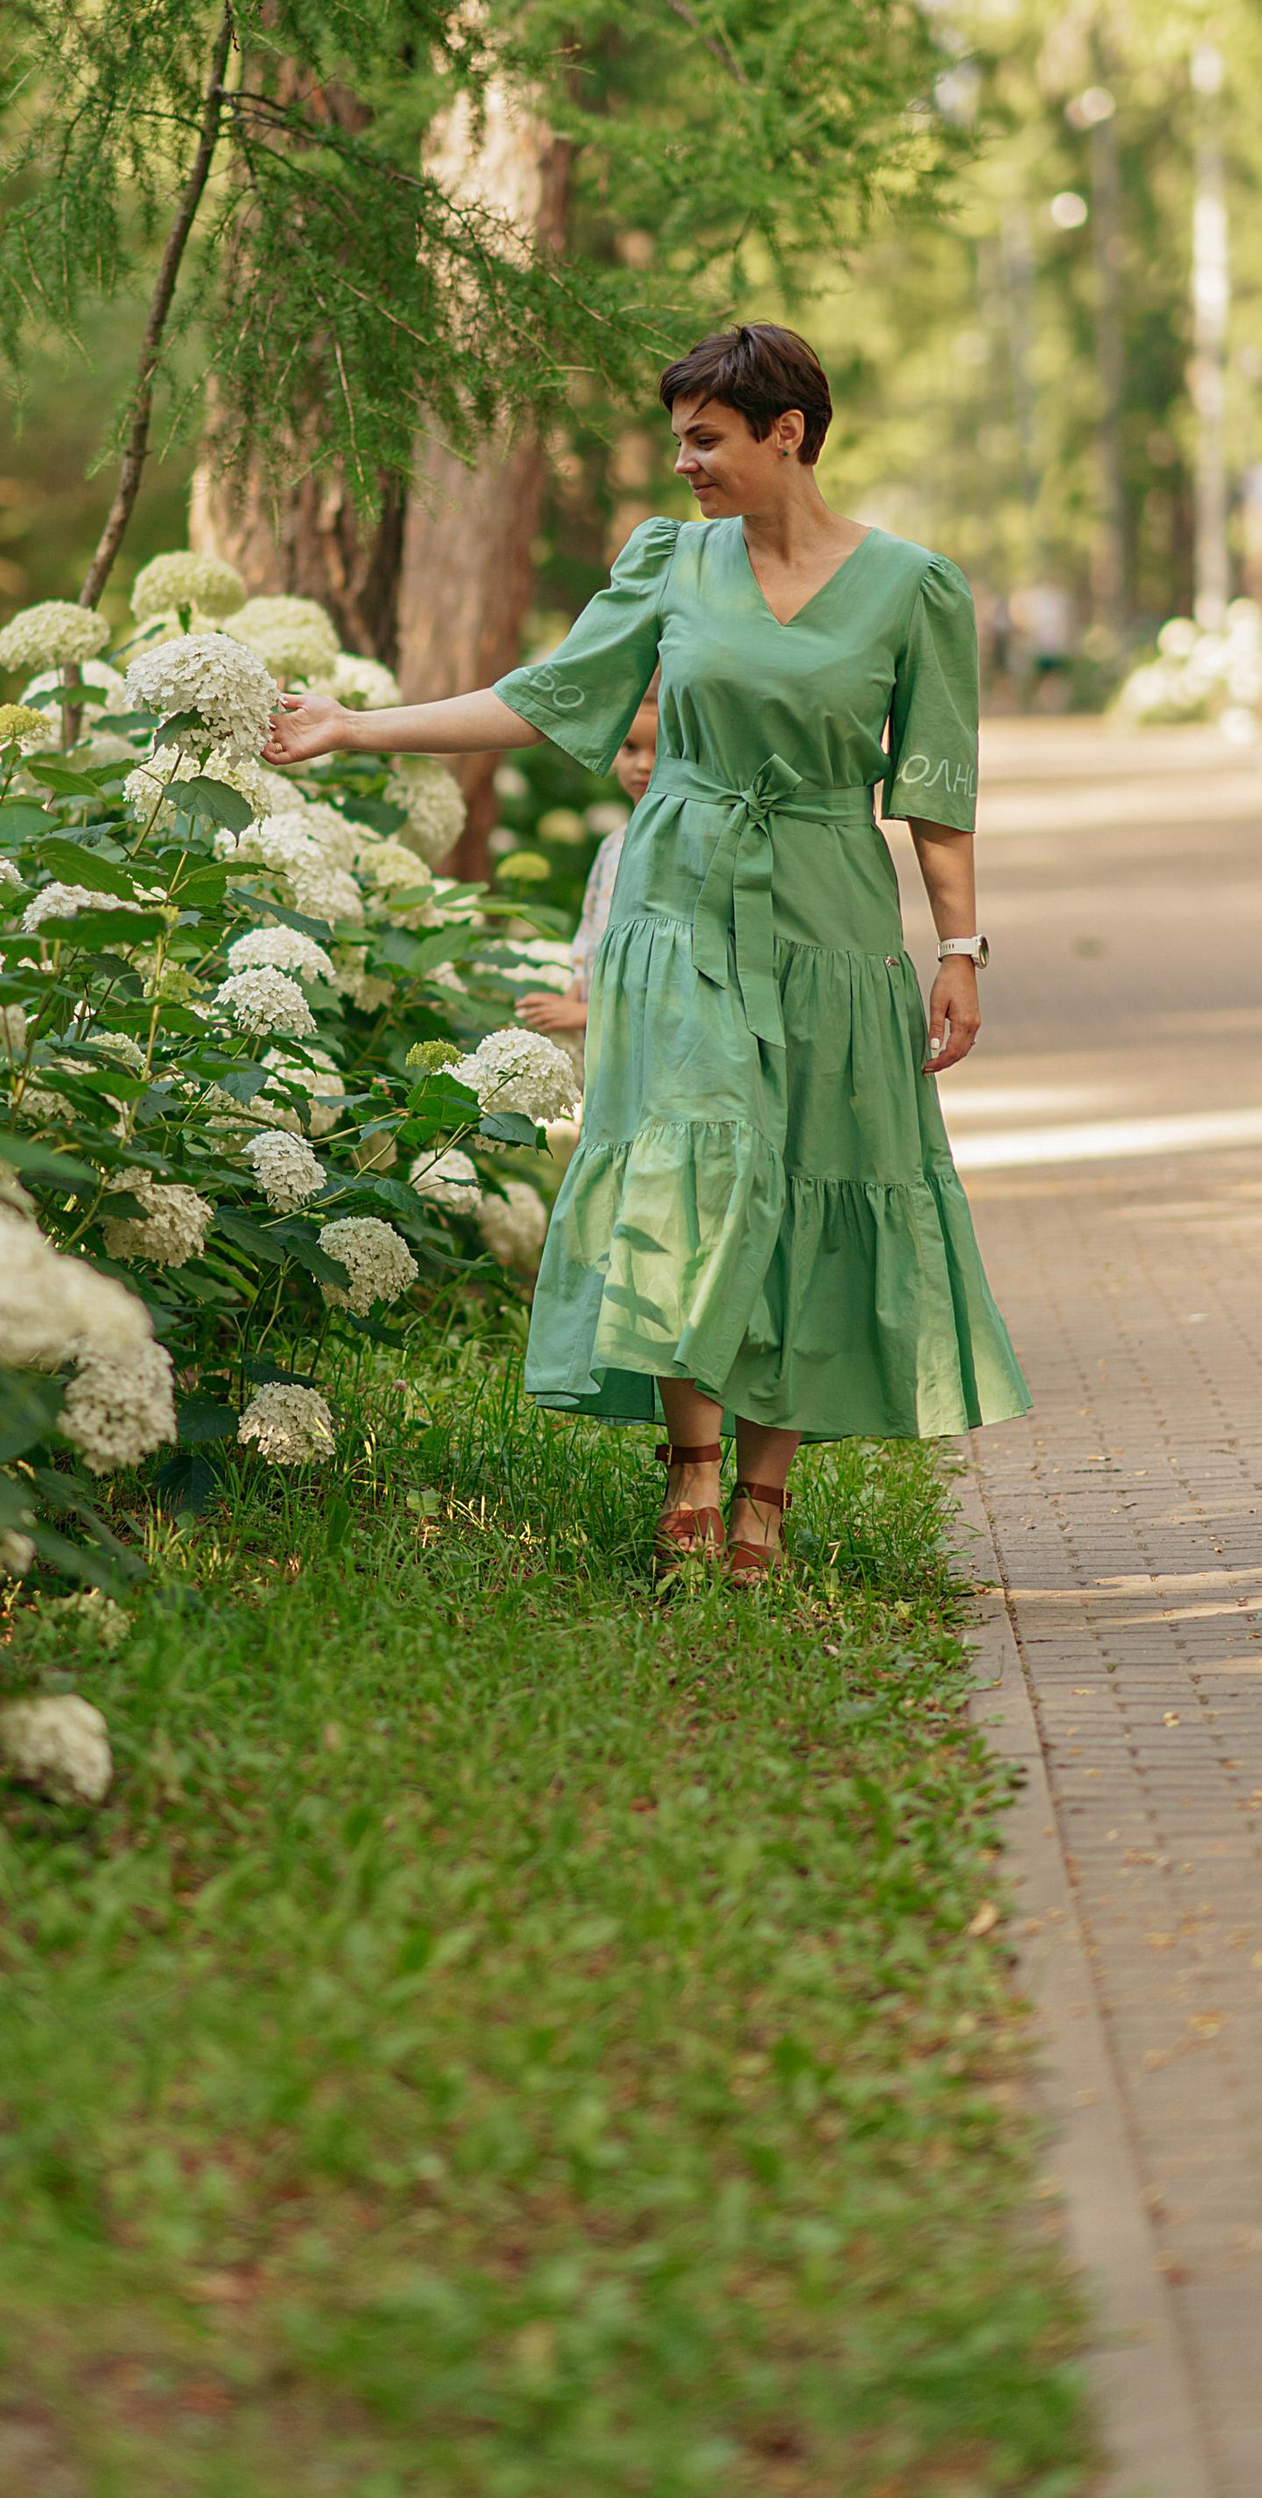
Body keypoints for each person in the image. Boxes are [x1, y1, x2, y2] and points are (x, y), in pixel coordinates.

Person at [266, 321, 1027, 1587]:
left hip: (832, 916)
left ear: (787, 434)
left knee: (809, 1168)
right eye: (679, 438)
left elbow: (936, 787)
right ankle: (688, 1473)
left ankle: (765, 1497)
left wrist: (960, 948)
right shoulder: (669, 562)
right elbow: (547, 694)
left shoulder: (912, 588)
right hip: (675, 909)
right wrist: (357, 728)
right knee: (689, 1164)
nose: (684, 463)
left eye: (705, 439)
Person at [515, 685, 662, 1045]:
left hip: (644, 1036)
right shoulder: (613, 844)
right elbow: (589, 931)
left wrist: (586, 1014)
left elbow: (664, 963)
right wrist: (574, 994)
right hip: (600, 1034)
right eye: (630, 747)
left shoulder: (677, 848)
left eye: (663, 749)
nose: (643, 764)